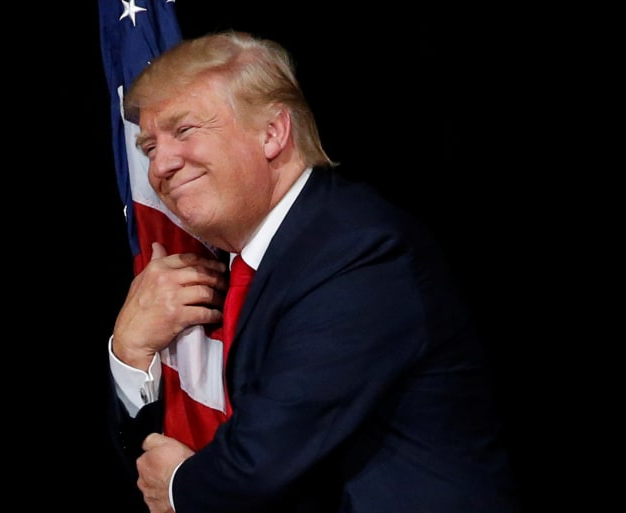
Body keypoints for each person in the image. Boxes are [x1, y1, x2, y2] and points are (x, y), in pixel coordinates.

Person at [105, 30, 520, 513]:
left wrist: (181, 486)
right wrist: (130, 351)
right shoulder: (239, 266)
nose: (162, 165)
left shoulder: (356, 250)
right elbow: (154, 462)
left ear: (272, 133)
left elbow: (262, 461)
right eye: (149, 147)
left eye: (184, 130)